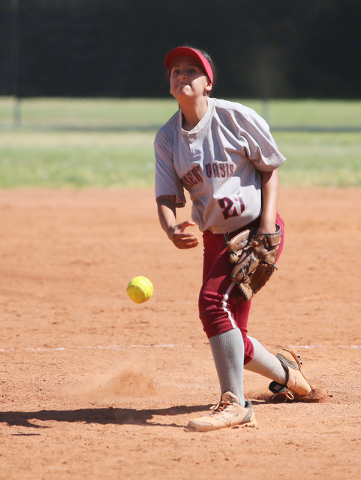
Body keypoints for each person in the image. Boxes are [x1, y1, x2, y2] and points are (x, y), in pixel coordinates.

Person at [154, 46, 313, 432]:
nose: (182, 75)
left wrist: (266, 226)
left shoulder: (235, 117)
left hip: (254, 232)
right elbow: (166, 194)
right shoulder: (167, 138)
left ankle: (235, 403)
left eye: (192, 70)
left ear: (208, 82)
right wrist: (169, 226)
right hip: (215, 239)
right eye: (175, 70)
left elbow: (269, 169)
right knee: (231, 334)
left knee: (212, 305)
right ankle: (290, 375)